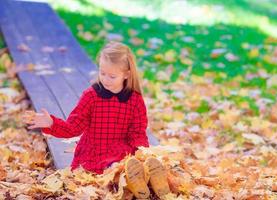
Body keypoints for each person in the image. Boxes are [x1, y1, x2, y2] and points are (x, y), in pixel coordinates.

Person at [24, 41, 170, 198]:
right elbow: (73, 127)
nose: (106, 79)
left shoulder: (135, 100)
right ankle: (139, 181)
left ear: (126, 74)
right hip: (93, 154)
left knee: (124, 168)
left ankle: (149, 178)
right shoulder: (91, 96)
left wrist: (142, 154)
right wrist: (51, 122)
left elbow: (137, 134)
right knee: (112, 176)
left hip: (120, 152)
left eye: (112, 76)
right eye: (102, 73)